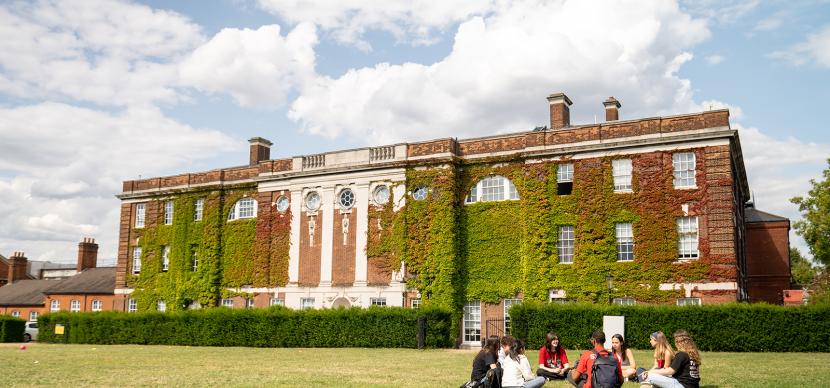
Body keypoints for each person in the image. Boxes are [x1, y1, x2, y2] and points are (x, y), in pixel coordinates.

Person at [637, 330, 701, 388]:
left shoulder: (681, 354)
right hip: (693, 386)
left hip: (682, 385)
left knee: (650, 376)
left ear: (678, 342)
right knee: (647, 375)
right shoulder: (693, 355)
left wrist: (651, 372)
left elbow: (669, 371)